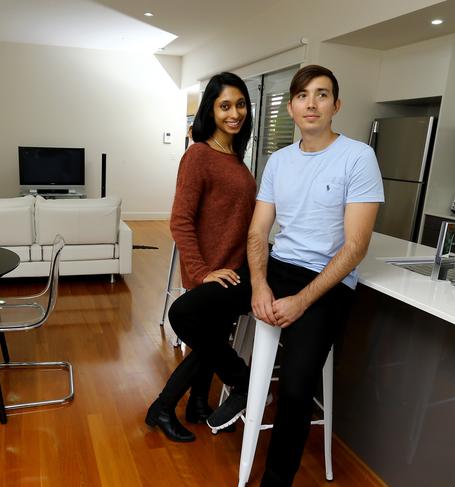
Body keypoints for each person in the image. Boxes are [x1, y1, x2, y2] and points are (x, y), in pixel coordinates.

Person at [169, 64, 384, 485]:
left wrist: (302, 301)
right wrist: (260, 285)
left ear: (336, 105)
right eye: (303, 95)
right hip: (278, 269)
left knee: (297, 389)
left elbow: (355, 247)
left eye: (322, 95)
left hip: (328, 284)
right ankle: (247, 384)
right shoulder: (279, 162)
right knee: (186, 313)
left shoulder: (359, 157)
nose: (312, 103)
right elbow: (258, 231)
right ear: (290, 107)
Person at [146, 72, 256, 442]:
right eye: (225, 105)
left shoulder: (235, 157)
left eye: (240, 104)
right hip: (210, 271)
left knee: (210, 345)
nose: (234, 113)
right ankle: (162, 407)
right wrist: (201, 270)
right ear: (211, 109)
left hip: (231, 268)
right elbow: (180, 219)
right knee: (209, 343)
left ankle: (195, 405)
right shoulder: (199, 155)